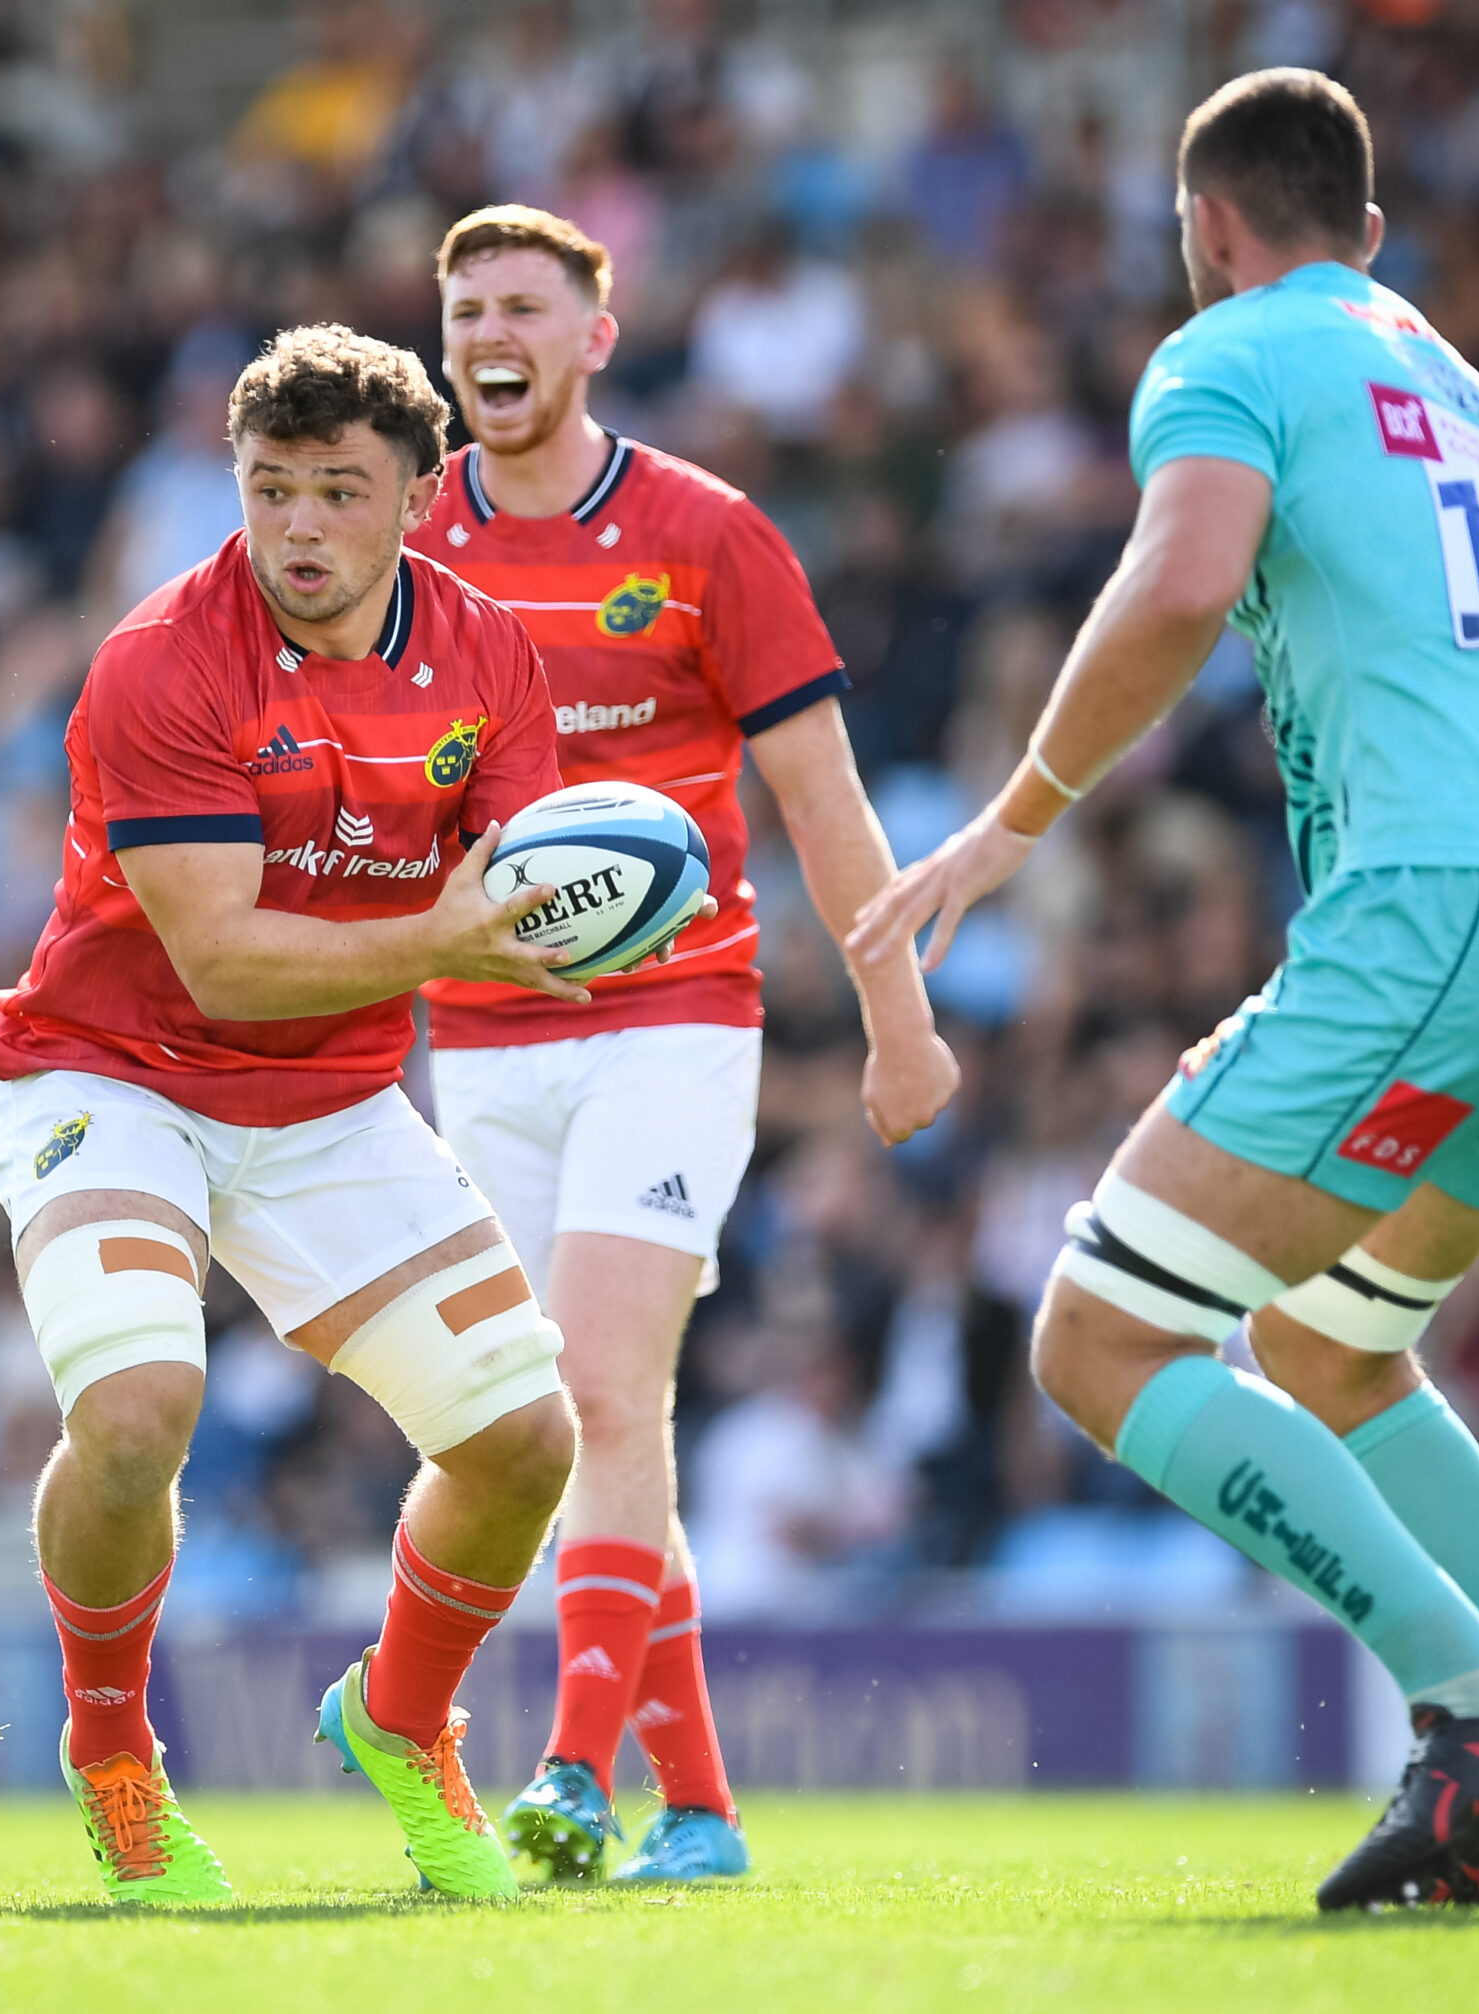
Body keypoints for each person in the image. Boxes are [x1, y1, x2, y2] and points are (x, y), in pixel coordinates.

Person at [850, 70, 1479, 1913]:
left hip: (1433, 916)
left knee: (1097, 1337)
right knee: (1333, 1347)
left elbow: (1180, 582)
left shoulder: (1229, 350)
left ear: (1205, 226)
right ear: (1370, 234)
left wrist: (1013, 818)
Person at [0, 323, 587, 1904]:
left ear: (420, 495)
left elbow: (527, 878)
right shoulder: (163, 659)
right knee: (135, 1415)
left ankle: (401, 1718)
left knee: (525, 1441)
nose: (299, 525)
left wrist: (589, 921)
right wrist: (449, 936)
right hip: (112, 1071)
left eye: (338, 489)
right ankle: (114, 1751)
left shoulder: (489, 653)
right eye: (271, 488)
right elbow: (225, 959)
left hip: (328, 1099)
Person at [415, 205, 959, 1883]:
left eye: (524, 306)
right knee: (545, 1419)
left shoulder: (709, 534)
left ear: (596, 336)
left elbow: (823, 801)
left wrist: (900, 1021)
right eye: (466, 310)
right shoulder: (401, 543)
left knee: (604, 1385)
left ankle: (575, 1772)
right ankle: (704, 1808)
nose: (491, 334)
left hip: (674, 1017)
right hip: (477, 1037)